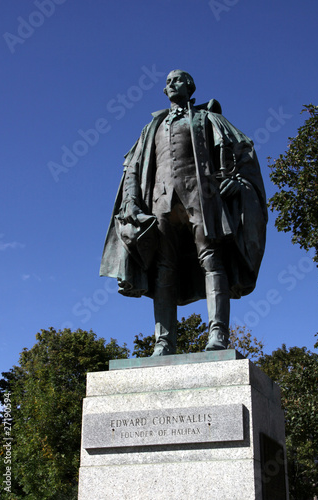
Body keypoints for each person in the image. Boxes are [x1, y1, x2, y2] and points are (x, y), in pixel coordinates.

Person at [100, 70, 267, 356]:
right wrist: (130, 201)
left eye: (177, 79)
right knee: (164, 268)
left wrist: (237, 181)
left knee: (212, 260)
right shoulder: (152, 126)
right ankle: (163, 341)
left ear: (190, 87)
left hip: (203, 198)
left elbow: (242, 151)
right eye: (167, 82)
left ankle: (218, 334)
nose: (170, 84)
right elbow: (133, 166)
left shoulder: (210, 118)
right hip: (160, 202)